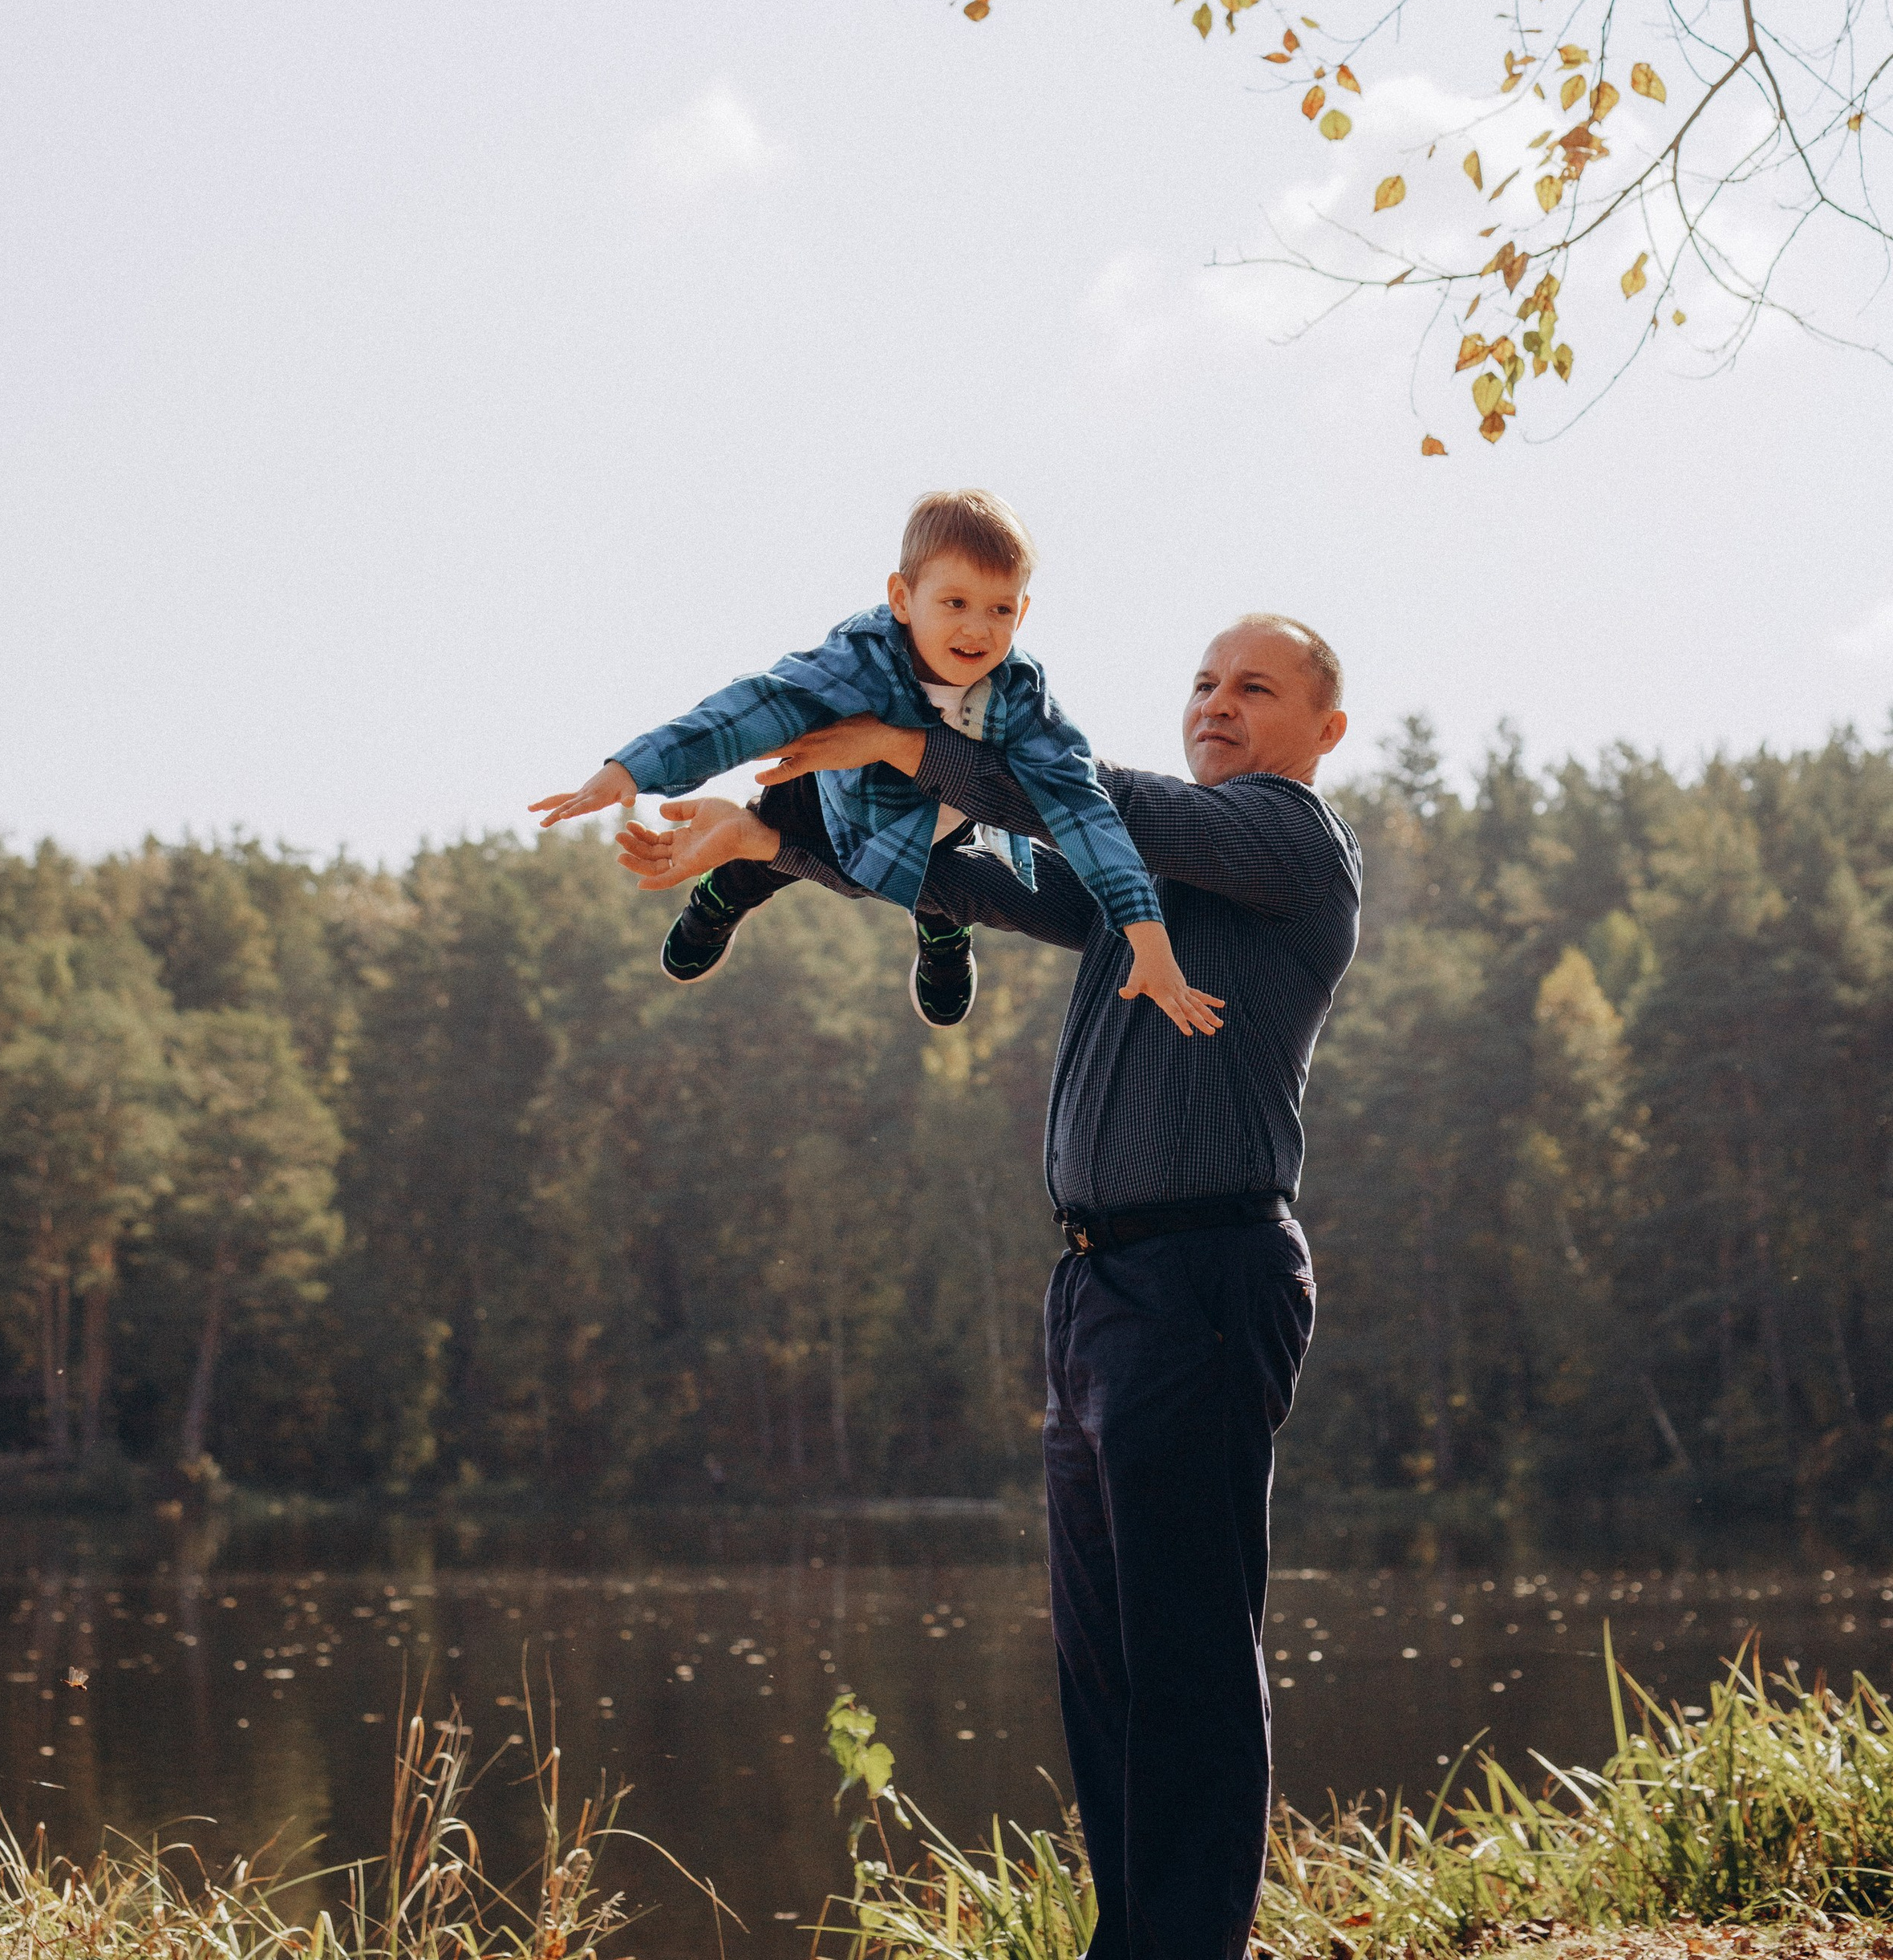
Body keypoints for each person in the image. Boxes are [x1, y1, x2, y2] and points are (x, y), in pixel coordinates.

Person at [615, 612, 1360, 1960]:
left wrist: (913, 738)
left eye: (1254, 687)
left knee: (1186, 1654)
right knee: (1106, 1660)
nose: (1215, 703)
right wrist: (762, 842)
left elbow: (1087, 795)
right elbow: (971, 879)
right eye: (1202, 681)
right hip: (1098, 1291)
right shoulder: (1141, 880)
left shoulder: (1292, 843)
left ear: (1324, 730)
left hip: (1205, 1275)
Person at [530, 487, 1217, 1038]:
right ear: (902, 599)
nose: (976, 628)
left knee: (950, 869)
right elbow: (754, 708)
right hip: (830, 791)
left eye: (1000, 609)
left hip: (940, 822)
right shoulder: (860, 659)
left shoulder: (1019, 697)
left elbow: (1082, 809)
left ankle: (942, 929)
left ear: (1023, 612)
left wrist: (1147, 937)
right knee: (773, 831)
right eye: (954, 603)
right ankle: (724, 893)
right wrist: (633, 768)